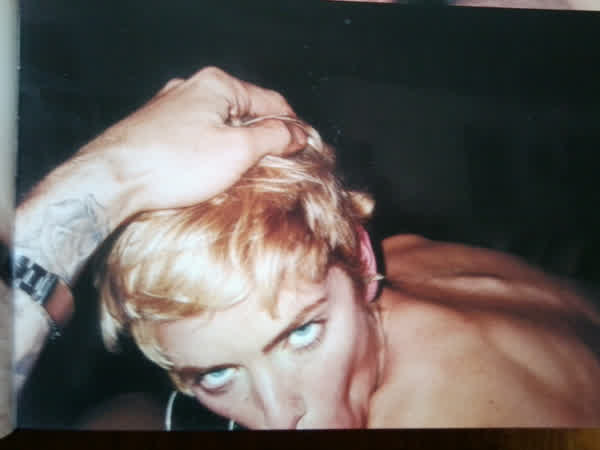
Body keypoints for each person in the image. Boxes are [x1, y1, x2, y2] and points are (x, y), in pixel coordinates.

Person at [13, 67, 600, 429]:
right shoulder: (395, 256)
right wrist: (113, 177)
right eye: (217, 374)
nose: (281, 417)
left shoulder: (443, 415)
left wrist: (99, 180)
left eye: (301, 334)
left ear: (363, 261)